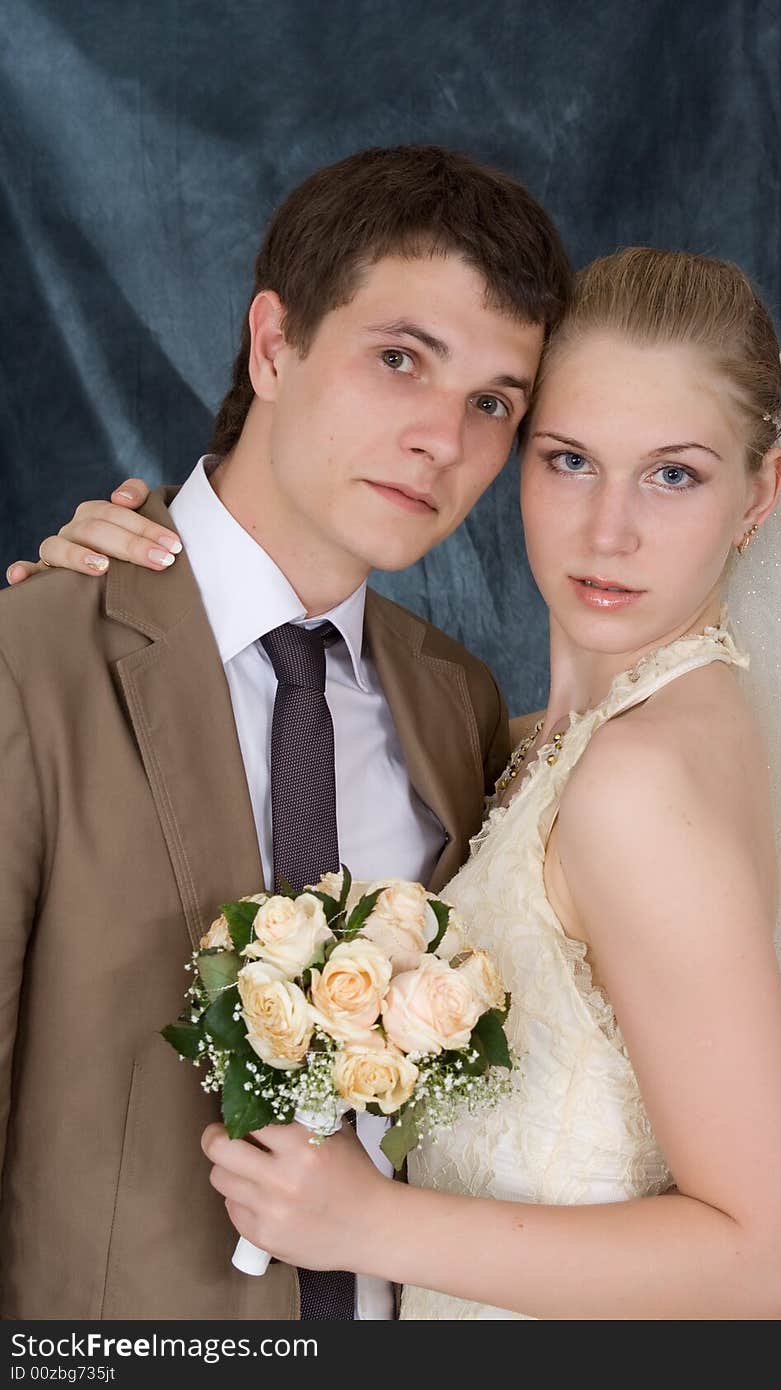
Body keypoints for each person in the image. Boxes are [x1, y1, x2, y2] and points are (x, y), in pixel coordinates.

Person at [29, 248, 781, 1320]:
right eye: (570, 460)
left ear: (759, 493)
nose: (607, 530)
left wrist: (363, 1223)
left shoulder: (640, 784)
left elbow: (766, 1266)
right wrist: (112, 594)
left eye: (674, 473)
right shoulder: (534, 739)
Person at [0, 144, 571, 1320]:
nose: (441, 439)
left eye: (492, 403)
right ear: (273, 343)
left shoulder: (453, 700)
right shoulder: (35, 659)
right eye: (400, 358)